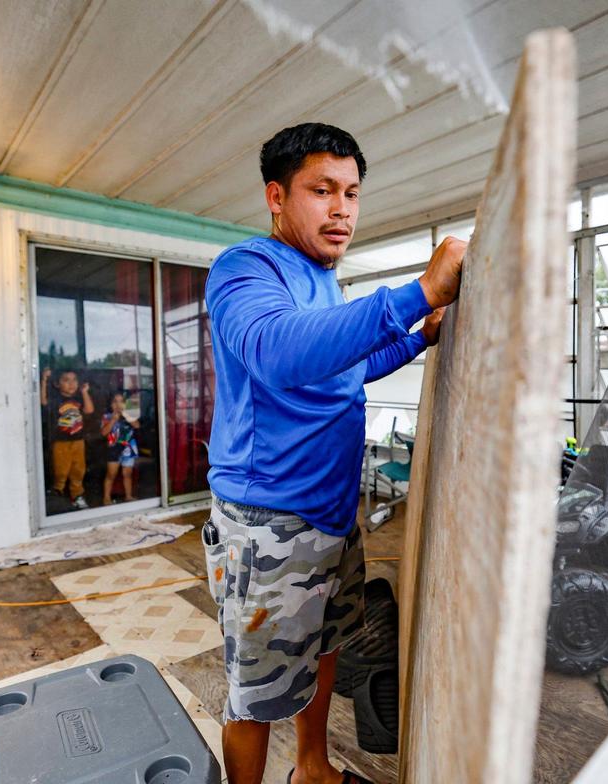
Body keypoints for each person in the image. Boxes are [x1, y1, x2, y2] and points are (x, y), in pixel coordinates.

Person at [203, 123, 465, 784]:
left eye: (351, 192)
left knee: (326, 645)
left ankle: (313, 769)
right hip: (267, 524)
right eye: (322, 190)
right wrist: (418, 294)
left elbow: (344, 368)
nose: (342, 208)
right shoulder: (245, 269)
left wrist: (419, 338)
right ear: (276, 197)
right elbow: (278, 351)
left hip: (331, 513)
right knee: (256, 693)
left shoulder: (324, 281)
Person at [40, 368, 95, 510]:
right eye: (66, 380)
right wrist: (44, 380)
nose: (71, 384)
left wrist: (84, 392)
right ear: (57, 384)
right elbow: (43, 401)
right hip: (61, 442)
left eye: (74, 380)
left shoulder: (79, 398)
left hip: (78, 440)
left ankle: (77, 495)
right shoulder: (56, 399)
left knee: (78, 469)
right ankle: (57, 491)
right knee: (60, 470)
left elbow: (89, 410)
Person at [101, 391, 140, 505]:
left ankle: (128, 496)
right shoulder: (107, 416)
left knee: (127, 473)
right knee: (111, 474)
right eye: (115, 402)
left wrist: (126, 414)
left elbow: (137, 425)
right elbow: (103, 433)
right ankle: (106, 497)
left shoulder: (130, 414)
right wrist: (113, 420)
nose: (118, 404)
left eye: (121, 401)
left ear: (126, 404)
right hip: (113, 448)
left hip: (128, 447)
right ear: (110, 404)